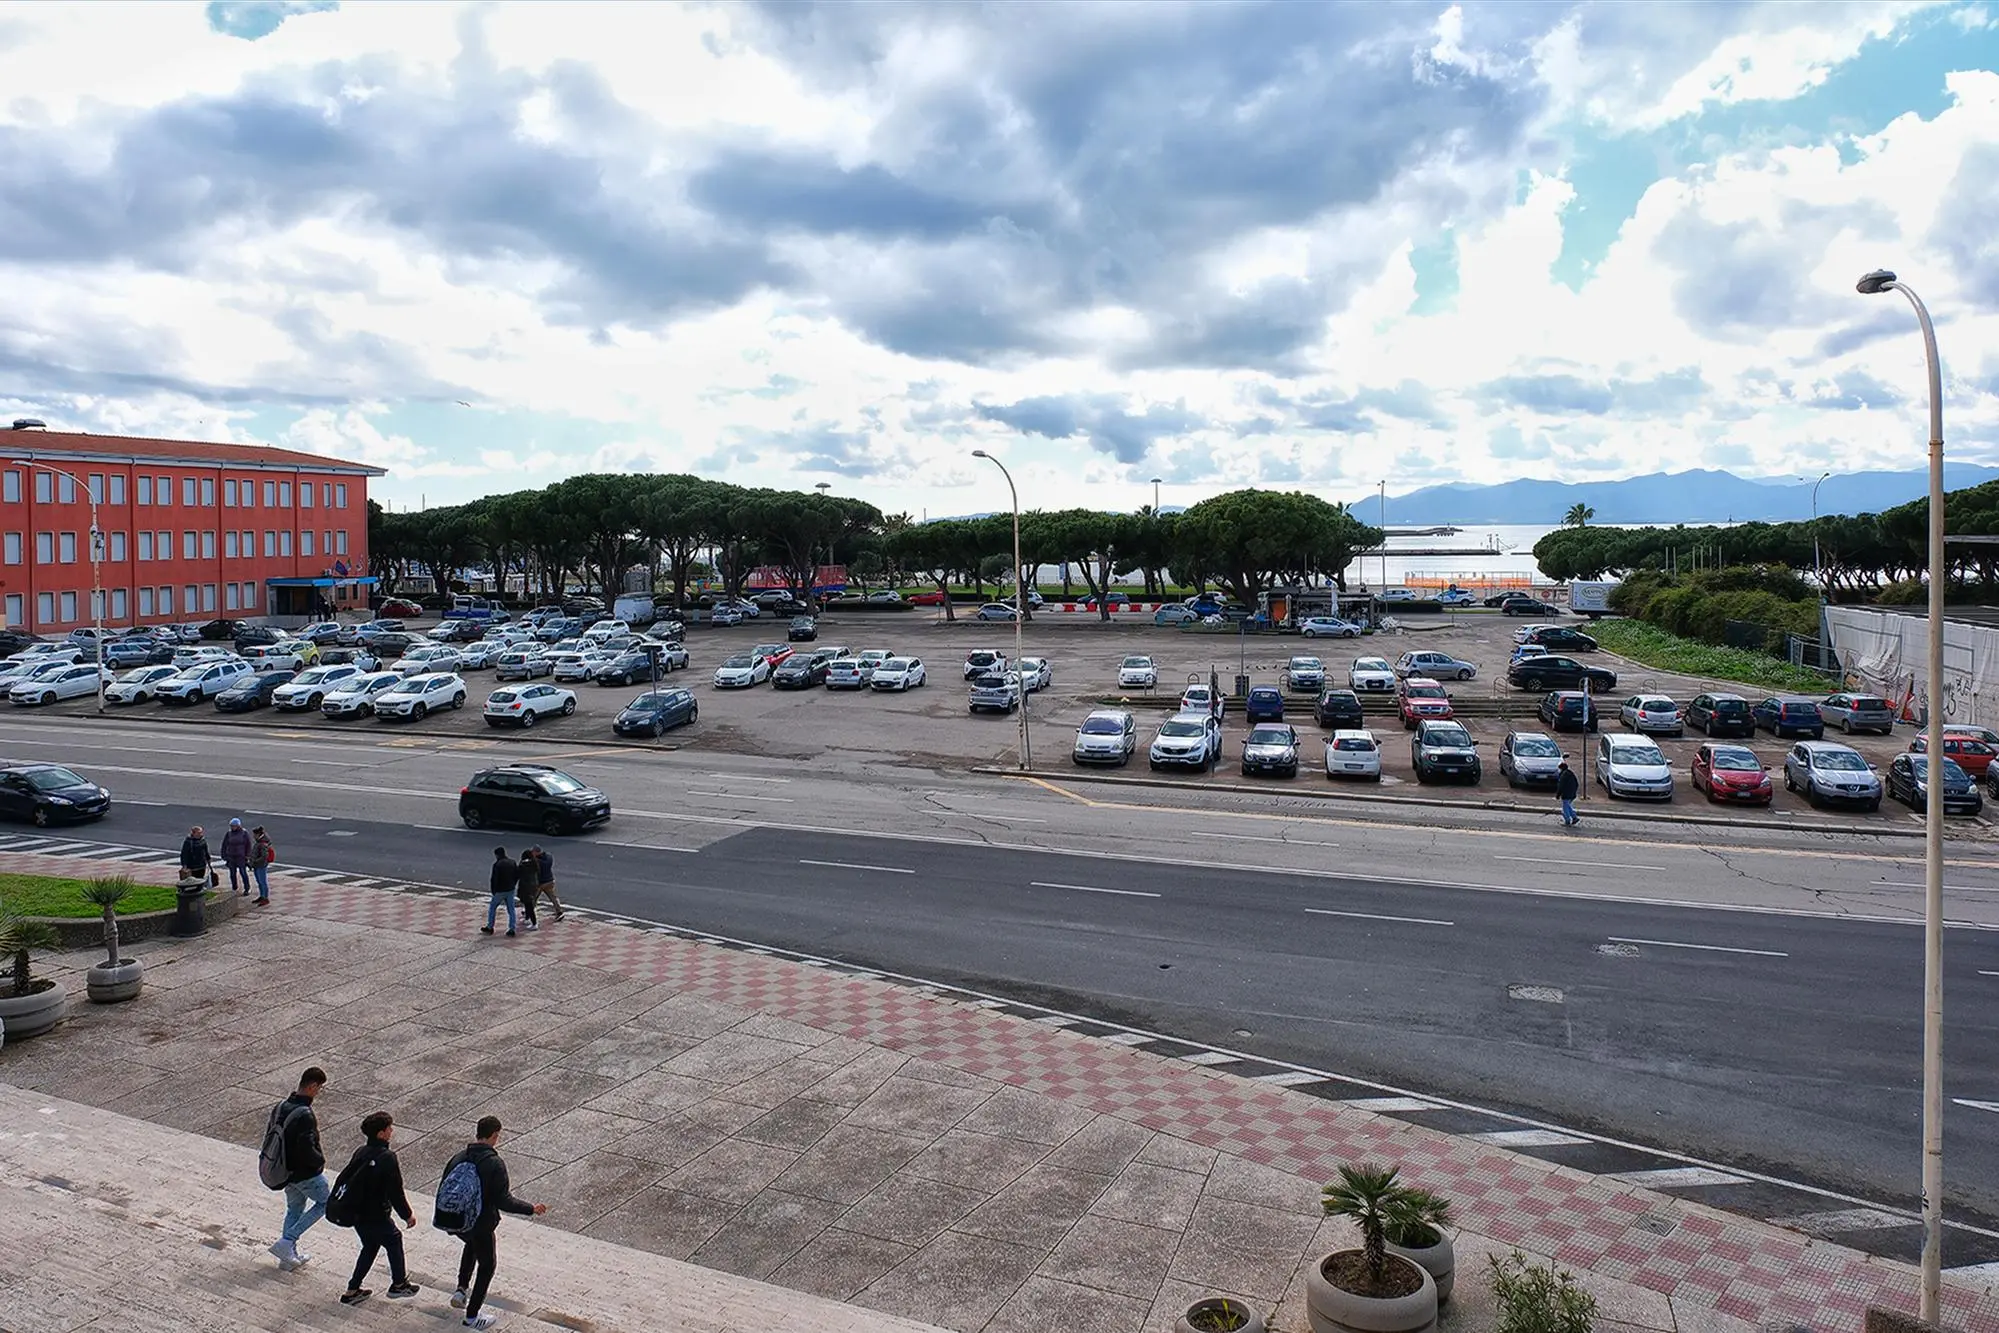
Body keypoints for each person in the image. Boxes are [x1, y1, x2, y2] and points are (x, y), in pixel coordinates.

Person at [445, 1115, 546, 1330]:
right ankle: (472, 1316)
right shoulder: (494, 1163)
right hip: (481, 1223)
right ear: (494, 1136)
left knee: (471, 1244)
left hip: (457, 1220)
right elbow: (503, 1200)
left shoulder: (458, 1157)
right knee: (488, 1265)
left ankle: (461, 1289)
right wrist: (531, 1208)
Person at [336, 1111, 418, 1306]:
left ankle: (352, 1289)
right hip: (376, 1214)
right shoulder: (387, 1157)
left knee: (370, 1246)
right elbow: (395, 1191)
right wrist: (407, 1215)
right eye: (389, 1128)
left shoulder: (360, 1152)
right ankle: (398, 1284)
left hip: (357, 1213)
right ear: (381, 1133)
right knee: (394, 1239)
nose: (392, 1131)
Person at [266, 1066, 329, 1271]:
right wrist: (320, 1162)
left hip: (284, 1171)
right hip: (305, 1173)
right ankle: (287, 1241)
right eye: (319, 1088)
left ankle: (287, 1257)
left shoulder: (281, 1106)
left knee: (294, 1209)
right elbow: (307, 1148)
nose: (318, 1093)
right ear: (312, 1086)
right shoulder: (304, 1114)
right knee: (326, 1203)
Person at [482, 847, 517, 937]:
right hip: (510, 889)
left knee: (493, 908)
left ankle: (490, 927)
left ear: (497, 855)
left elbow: (494, 879)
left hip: (500, 890)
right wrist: (513, 884)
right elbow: (516, 875)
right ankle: (512, 928)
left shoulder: (497, 865)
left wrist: (494, 890)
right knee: (511, 909)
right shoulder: (512, 862)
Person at [530, 846, 564, 923]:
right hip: (550, 880)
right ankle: (559, 911)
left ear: (536, 852)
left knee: (533, 898)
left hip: (540, 883)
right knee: (553, 897)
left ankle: (530, 915)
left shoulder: (537, 861)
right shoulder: (549, 857)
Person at [220, 818, 254, 896]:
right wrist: (224, 855)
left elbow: (248, 845)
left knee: (243, 872)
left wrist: (247, 856)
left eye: (233, 826)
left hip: (241, 857)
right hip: (231, 857)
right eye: (231, 826)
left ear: (238, 826)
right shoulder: (229, 834)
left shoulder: (244, 833)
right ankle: (234, 888)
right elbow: (224, 845)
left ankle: (247, 888)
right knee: (232, 874)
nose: (232, 827)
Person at [250, 825, 276, 906]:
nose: (253, 836)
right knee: (259, 881)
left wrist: (255, 861)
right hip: (257, 865)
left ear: (258, 834)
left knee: (262, 882)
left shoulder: (262, 844)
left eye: (254, 835)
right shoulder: (260, 842)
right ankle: (262, 896)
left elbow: (264, 856)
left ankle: (265, 897)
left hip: (260, 865)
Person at [515, 850, 539, 931]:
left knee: (528, 905)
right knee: (528, 903)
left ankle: (534, 923)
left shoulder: (523, 865)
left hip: (525, 887)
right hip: (534, 885)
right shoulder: (534, 863)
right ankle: (527, 918)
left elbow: (517, 874)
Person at [1556, 759, 1581, 827]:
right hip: (1572, 793)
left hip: (1566, 794)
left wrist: (1558, 795)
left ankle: (1568, 820)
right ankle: (1574, 817)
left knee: (1565, 808)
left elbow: (1561, 786)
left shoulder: (1563, 776)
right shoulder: (1571, 773)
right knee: (1568, 806)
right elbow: (1576, 783)